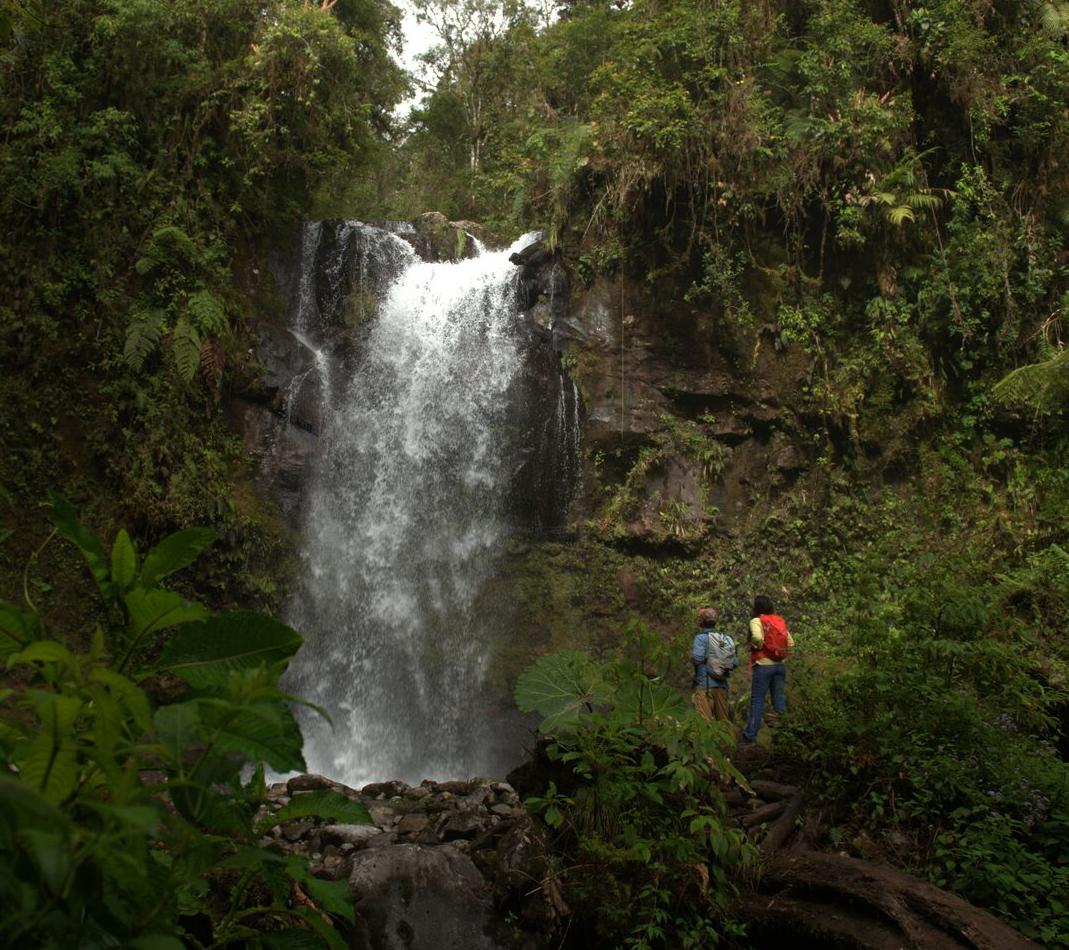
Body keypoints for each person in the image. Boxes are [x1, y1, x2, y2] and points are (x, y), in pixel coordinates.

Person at [740, 595, 794, 746]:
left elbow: (757, 638)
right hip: (780, 666)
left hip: (763, 665)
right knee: (779, 701)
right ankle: (785, 736)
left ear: (756, 608)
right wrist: (778, 654)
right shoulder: (778, 621)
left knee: (757, 701)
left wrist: (759, 646)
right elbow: (791, 643)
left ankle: (750, 737)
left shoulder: (756, 620)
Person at [691, 606, 738, 722]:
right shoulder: (723, 639)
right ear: (715, 622)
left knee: (704, 723)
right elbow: (735, 662)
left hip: (704, 686)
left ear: (701, 622)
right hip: (721, 687)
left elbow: (697, 658)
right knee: (723, 723)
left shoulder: (700, 638)